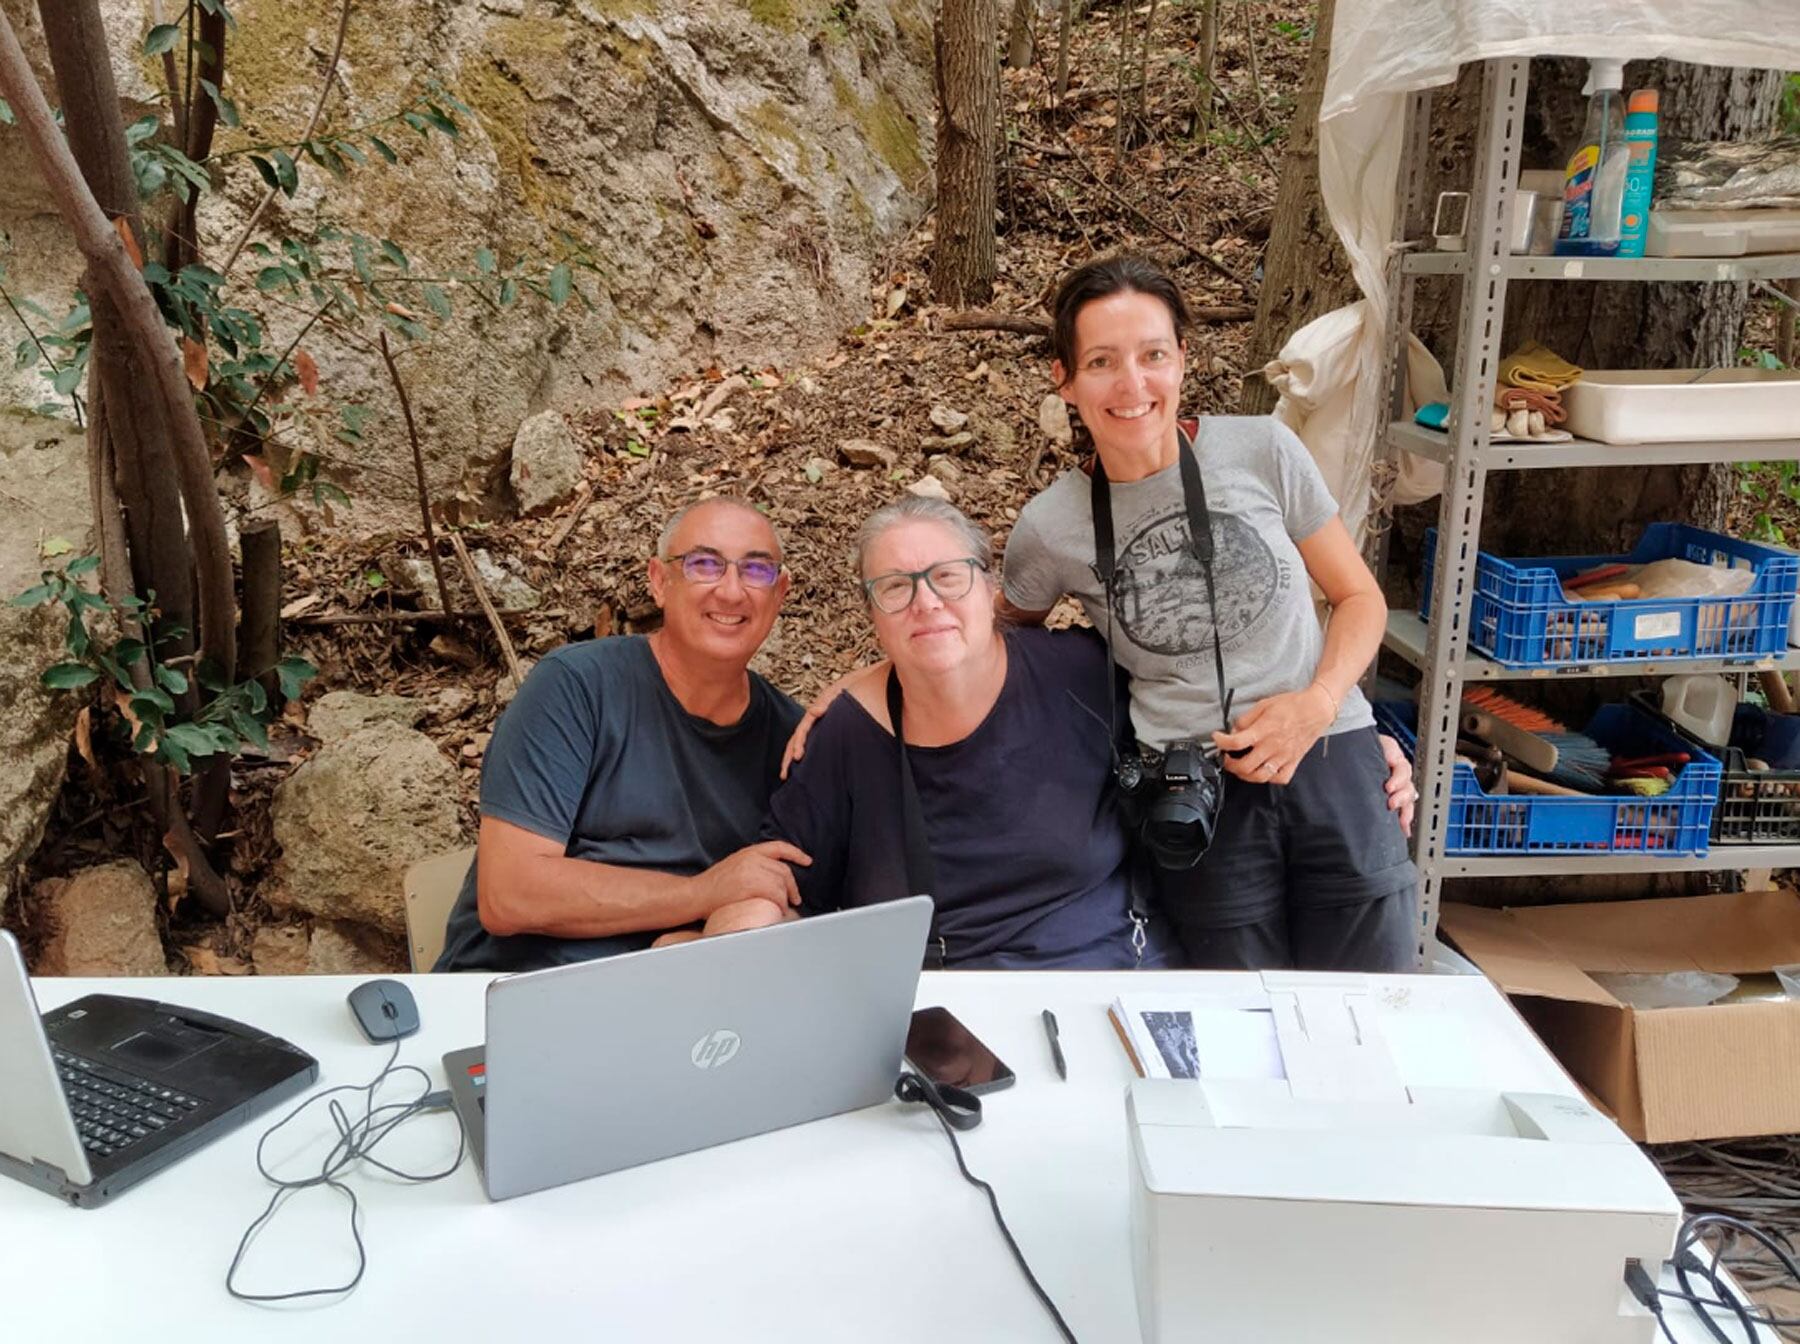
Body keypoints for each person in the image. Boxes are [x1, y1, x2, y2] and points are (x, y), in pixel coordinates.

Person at [999, 252, 1419, 971]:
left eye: (1152, 355)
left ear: (1183, 361)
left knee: (1370, 1014)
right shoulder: (1049, 527)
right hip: (1192, 793)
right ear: (1063, 379)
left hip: (1331, 760)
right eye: (1101, 362)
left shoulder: (1262, 449)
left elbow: (1359, 598)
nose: (1132, 385)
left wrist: (1320, 705)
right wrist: (859, 698)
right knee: (1237, 1026)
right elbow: (991, 651)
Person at [735, 495, 1181, 969]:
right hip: (946, 1013)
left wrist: (1274, 702)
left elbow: (1201, 689)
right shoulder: (848, 734)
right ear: (873, 617)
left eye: (947, 576)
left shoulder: (1079, 674)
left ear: (990, 587)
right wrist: (734, 933)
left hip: (1110, 980)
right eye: (894, 587)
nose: (926, 602)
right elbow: (781, 888)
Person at [433, 497, 812, 972]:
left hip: (678, 1008)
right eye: (704, 565)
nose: (731, 591)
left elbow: (796, 899)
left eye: (756, 571)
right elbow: (510, 895)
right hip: (516, 994)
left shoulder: (791, 738)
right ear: (659, 582)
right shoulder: (576, 687)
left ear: (781, 593)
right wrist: (704, 893)